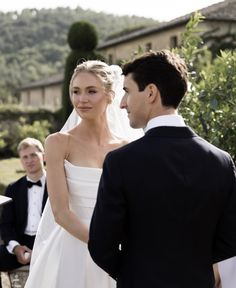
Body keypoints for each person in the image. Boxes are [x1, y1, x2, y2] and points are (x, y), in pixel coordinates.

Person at [88, 50, 236, 288]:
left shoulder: (121, 161)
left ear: (150, 92)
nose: (122, 103)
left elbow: (100, 244)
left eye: (127, 91)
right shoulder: (221, 161)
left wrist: (133, 275)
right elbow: (229, 242)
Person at [25, 60, 142, 288]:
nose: (82, 99)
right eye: (76, 91)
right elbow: (60, 212)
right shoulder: (58, 142)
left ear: (110, 95)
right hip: (71, 249)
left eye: (91, 91)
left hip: (117, 251)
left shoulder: (127, 147)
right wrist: (103, 246)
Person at [0, 138, 48, 285]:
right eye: (25, 157)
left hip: (49, 242)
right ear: (21, 160)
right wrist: (16, 248)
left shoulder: (57, 184)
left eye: (33, 155)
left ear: (44, 156)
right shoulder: (12, 188)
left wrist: (42, 249)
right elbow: (5, 224)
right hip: (22, 243)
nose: (29, 160)